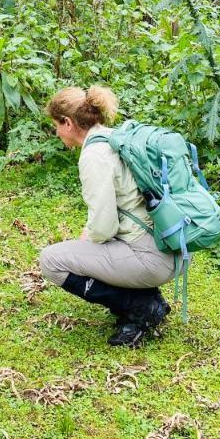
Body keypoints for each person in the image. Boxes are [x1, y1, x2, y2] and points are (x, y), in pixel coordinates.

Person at [38, 85, 174, 347]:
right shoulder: (116, 138)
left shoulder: (94, 155)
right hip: (171, 248)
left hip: (151, 259)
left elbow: (104, 228)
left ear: (67, 122)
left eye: (56, 125)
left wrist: (87, 239)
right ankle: (146, 297)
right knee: (84, 248)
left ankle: (142, 306)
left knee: (51, 261)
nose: (56, 132)